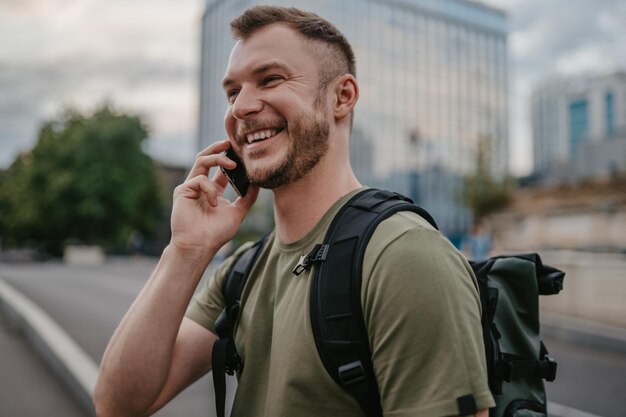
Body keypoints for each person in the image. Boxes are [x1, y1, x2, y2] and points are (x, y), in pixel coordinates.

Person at [93, 6, 494, 417]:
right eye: (233, 92)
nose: (241, 108)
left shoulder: (405, 256)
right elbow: (117, 404)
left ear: (342, 96)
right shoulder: (242, 270)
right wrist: (186, 251)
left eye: (271, 79)